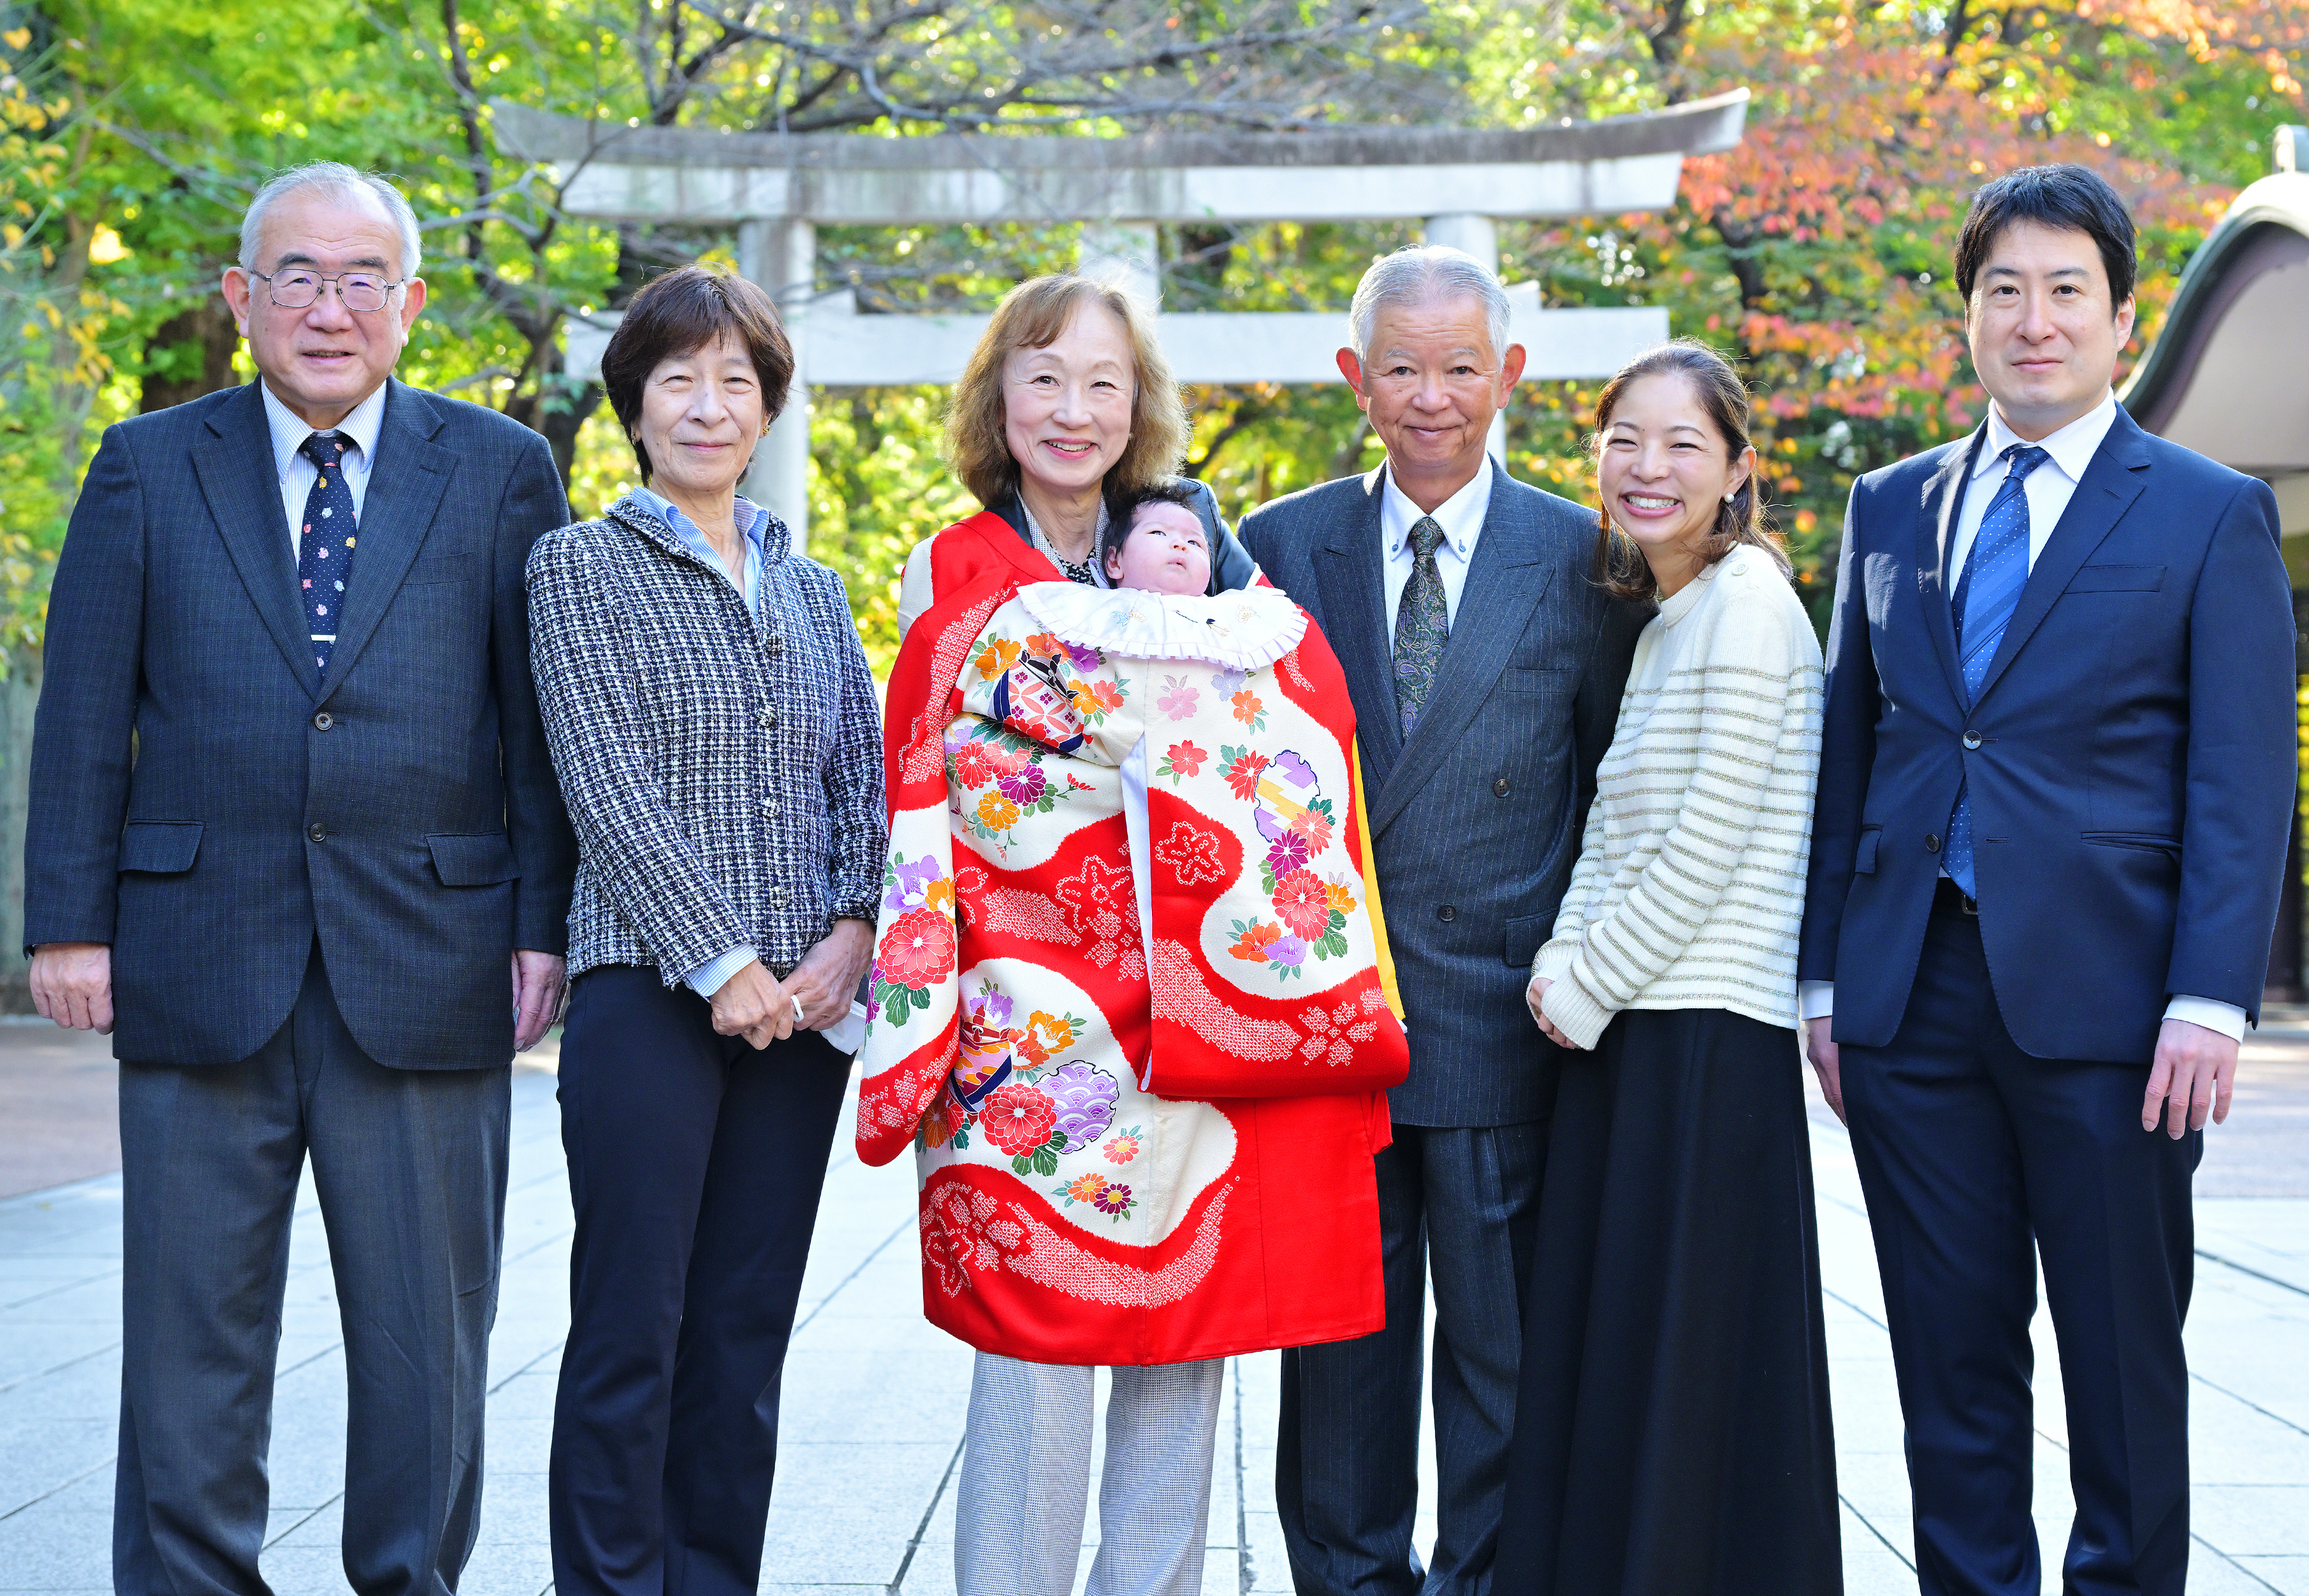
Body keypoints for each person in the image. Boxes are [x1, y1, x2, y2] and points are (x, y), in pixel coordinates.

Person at [23, 161, 575, 1596]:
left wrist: (541, 926)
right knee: (189, 1331)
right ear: (241, 298)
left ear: (411, 301)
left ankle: (409, 1581)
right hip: (197, 945)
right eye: (298, 277)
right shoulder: (150, 464)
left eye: (360, 279)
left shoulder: (502, 468)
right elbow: (84, 706)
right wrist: (68, 925)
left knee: (425, 1341)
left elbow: (535, 722)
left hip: (435, 952)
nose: (329, 309)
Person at [858, 273, 1403, 1596]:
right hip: (1028, 1025)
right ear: (998, 396)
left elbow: (1294, 719)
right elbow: (953, 775)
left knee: (1187, 1340)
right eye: (1044, 377)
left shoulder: (1201, 552)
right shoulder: (959, 567)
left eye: (1104, 382)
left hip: (1191, 1018)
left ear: (1139, 404)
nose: (1074, 409)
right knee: (1034, 1355)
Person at [1801, 164, 2296, 1595]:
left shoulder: (2207, 514)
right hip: (1910, 1002)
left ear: (2121, 319)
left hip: (2120, 1011)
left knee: (2123, 1365)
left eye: (2065, 290)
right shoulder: (1890, 508)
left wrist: (2212, 997)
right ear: (1967, 317)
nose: (2034, 319)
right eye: (2003, 290)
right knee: (1950, 1369)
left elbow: (2242, 774)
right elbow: (1859, 743)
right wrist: (1828, 976)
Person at [1239, 245, 1642, 1596]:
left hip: (1501, 1024)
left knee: (1503, 1367)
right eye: (1401, 367)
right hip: (1328, 1030)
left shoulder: (1583, 555)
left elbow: (1607, 791)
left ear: (1509, 374)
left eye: (1461, 366)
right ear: (1355, 379)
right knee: (1338, 1371)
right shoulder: (1277, 547)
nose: (1431, 396)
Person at [527, 264, 885, 1596]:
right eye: (679, 376)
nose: (709, 403)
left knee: (742, 1338)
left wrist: (851, 931)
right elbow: (602, 783)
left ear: (769, 404)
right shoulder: (578, 567)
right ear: (635, 403)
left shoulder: (816, 587)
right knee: (635, 1325)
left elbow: (864, 775)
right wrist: (721, 962)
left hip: (803, 1010)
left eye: (737, 378)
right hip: (649, 1000)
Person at [1500, 341, 1839, 1593]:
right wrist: (1562, 962)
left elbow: (1712, 832)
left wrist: (1583, 982)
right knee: (1632, 1347)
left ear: (1739, 467)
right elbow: (1616, 824)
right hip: (1629, 1028)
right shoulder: (1668, 612)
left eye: (1683, 443)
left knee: (1690, 1357)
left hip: (1702, 1035)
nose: (1648, 466)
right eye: (1624, 439)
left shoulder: (1748, 606)